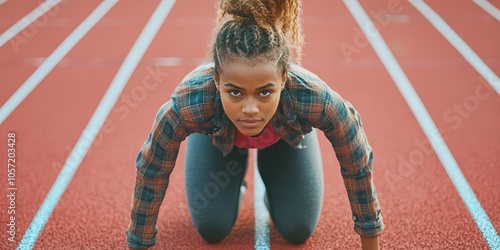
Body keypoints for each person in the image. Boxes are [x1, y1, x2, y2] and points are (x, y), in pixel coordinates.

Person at [126, 0, 384, 249]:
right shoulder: (190, 103)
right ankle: (233, 184)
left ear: (284, 79)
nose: (250, 110)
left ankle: (276, 189)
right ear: (216, 80)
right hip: (216, 138)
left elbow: (356, 162)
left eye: (264, 92)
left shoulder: (315, 100)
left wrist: (370, 241)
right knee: (212, 228)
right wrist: (139, 243)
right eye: (235, 92)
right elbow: (152, 170)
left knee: (297, 230)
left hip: (285, 139)